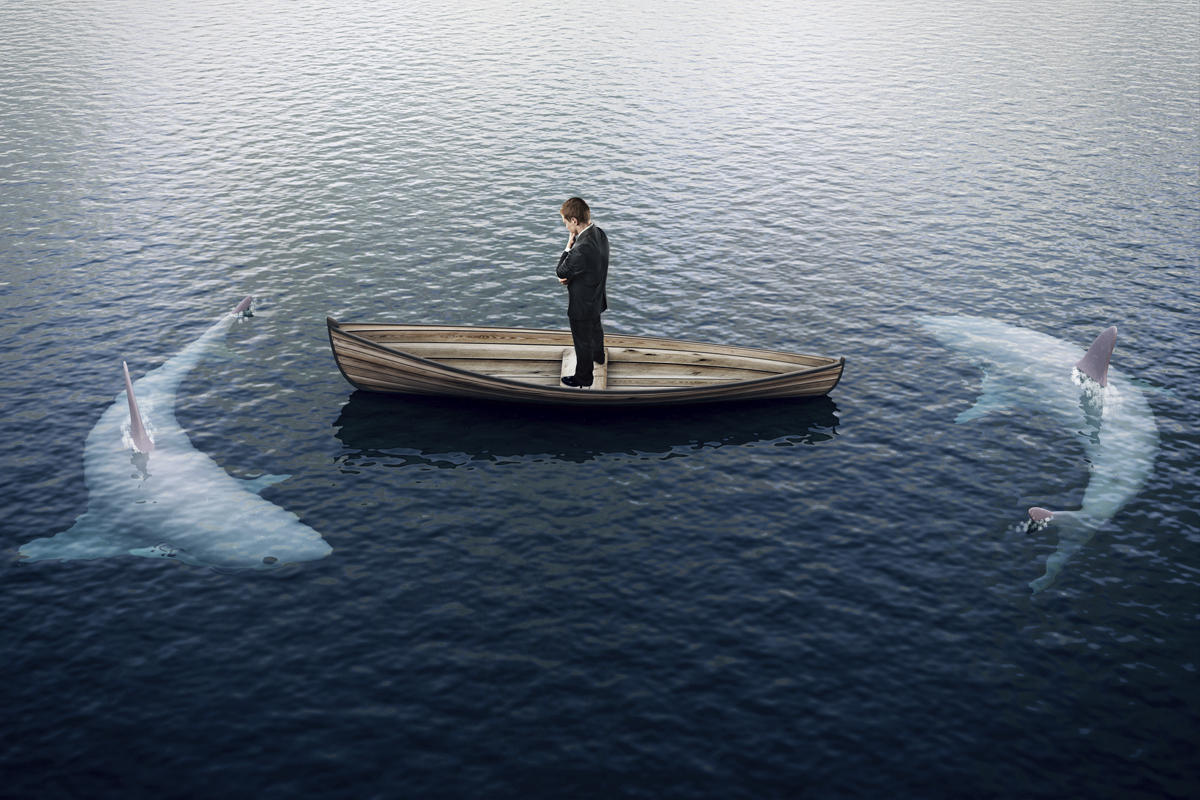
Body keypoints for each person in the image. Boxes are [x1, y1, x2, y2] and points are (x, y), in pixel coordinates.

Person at [555, 197, 609, 387]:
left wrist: (568, 245)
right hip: (596, 295)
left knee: (582, 342)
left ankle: (583, 378)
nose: (566, 227)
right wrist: (574, 276)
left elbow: (561, 270)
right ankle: (599, 357)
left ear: (574, 221)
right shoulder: (599, 234)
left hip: (582, 303)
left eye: (565, 223)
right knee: (596, 328)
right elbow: (593, 266)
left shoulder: (580, 248)